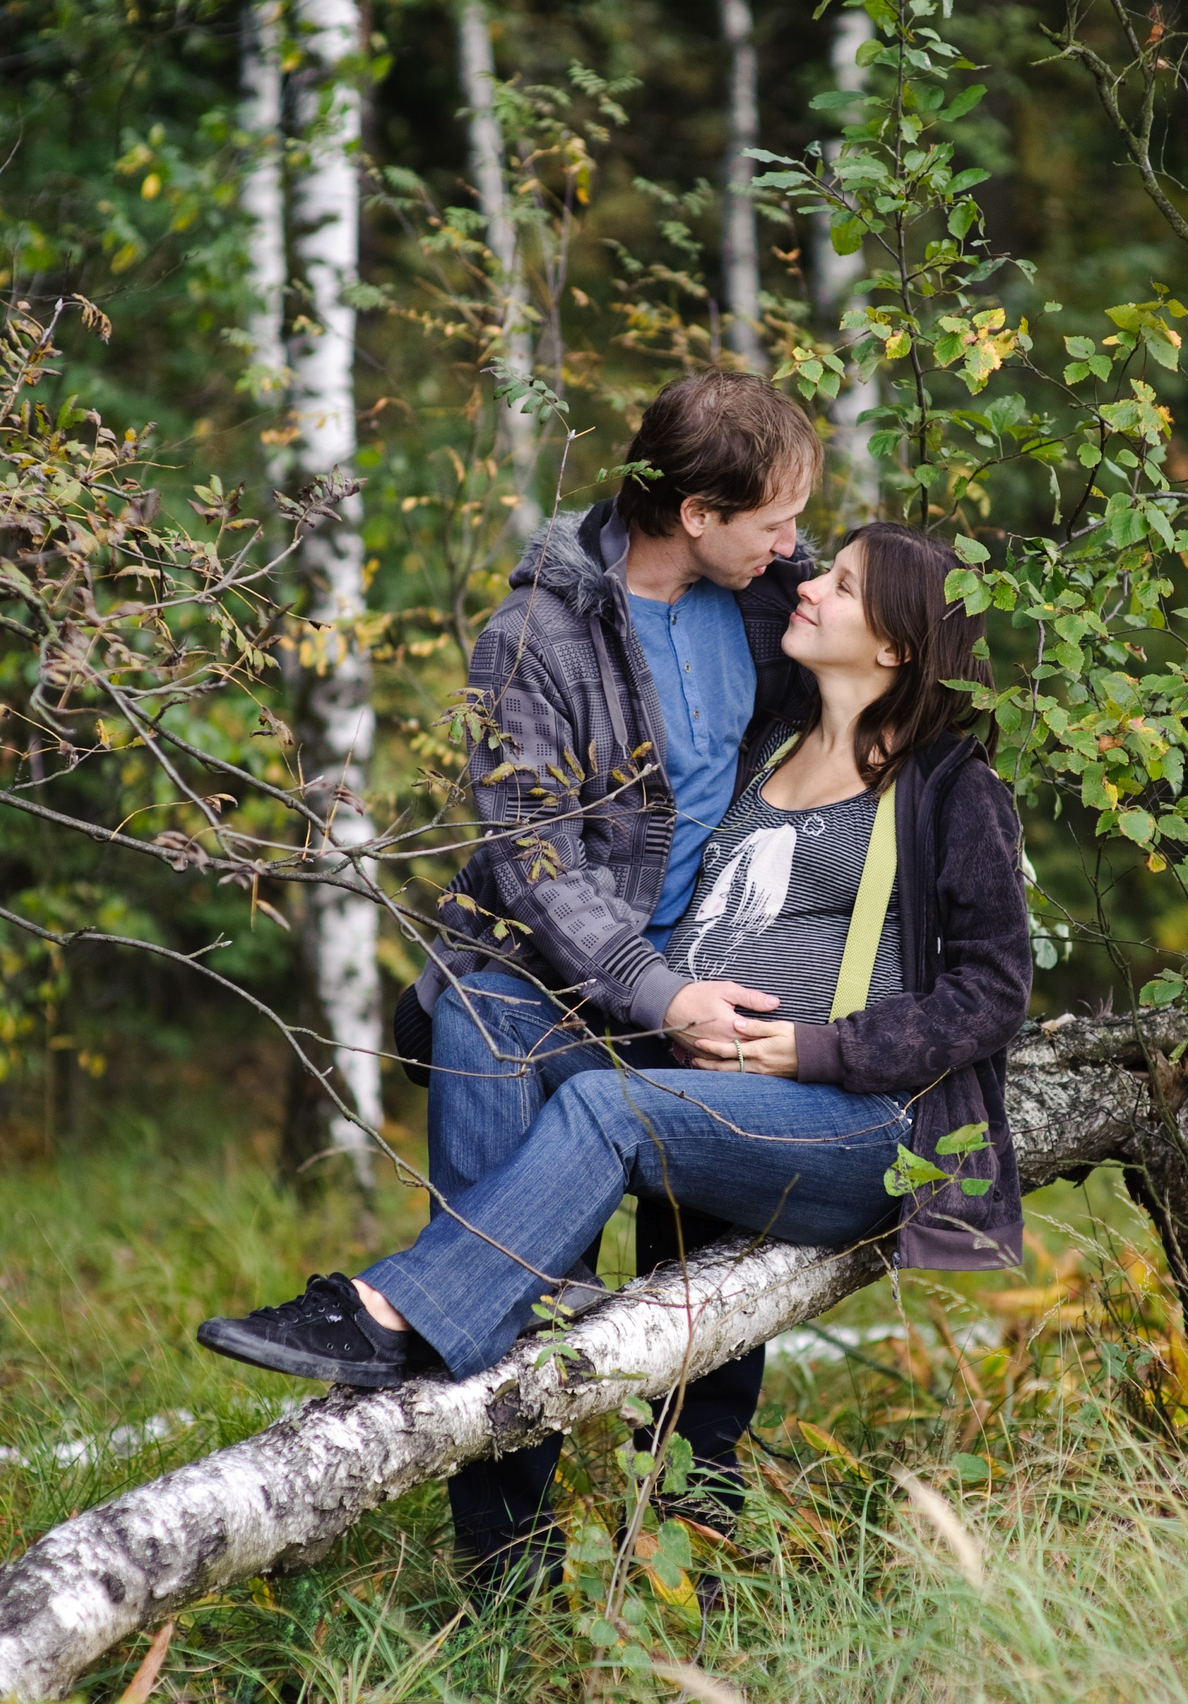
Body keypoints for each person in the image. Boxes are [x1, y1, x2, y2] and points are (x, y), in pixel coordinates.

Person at [199, 524, 1034, 1580]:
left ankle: (394, 1312)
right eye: (821, 570)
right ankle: (504, 1541)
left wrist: (814, 1049)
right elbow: (687, 531)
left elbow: (992, 991)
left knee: (609, 1113)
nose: (810, 588)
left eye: (842, 584)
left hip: (852, 1127)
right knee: (481, 1001)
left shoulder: (950, 785)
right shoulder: (764, 745)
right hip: (691, 1089)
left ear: (900, 647)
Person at [235, 372, 826, 1588]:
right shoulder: (532, 639)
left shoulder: (774, 606)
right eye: (772, 519)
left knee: (701, 1253)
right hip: (553, 980)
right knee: (482, 1047)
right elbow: (532, 854)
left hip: (713, 977)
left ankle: (696, 1534)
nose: (794, 543)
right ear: (698, 512)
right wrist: (653, 991)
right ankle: (502, 1556)